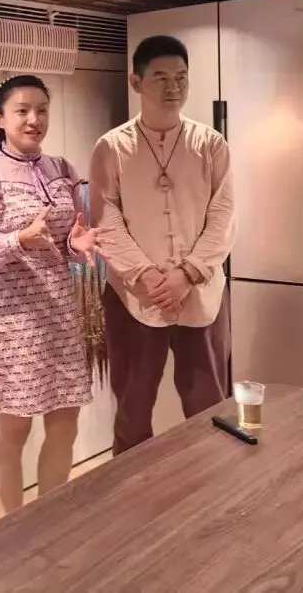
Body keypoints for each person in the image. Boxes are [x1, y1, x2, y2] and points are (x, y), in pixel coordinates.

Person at [0, 74, 113, 513]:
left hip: (61, 316)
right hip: (13, 323)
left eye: (42, 110)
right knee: (14, 432)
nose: (33, 119)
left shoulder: (62, 170)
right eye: (22, 111)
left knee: (65, 424)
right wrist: (16, 240)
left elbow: (65, 239)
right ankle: (14, 528)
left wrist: (76, 245)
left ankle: (48, 519)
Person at [90, 35, 236, 456]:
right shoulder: (112, 147)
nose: (174, 87)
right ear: (136, 82)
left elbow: (224, 216)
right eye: (161, 77)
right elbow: (105, 217)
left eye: (181, 77)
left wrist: (187, 273)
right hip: (135, 294)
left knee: (209, 404)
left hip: (201, 291)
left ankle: (212, 482)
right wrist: (146, 275)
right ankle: (133, 490)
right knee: (132, 409)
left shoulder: (210, 143)